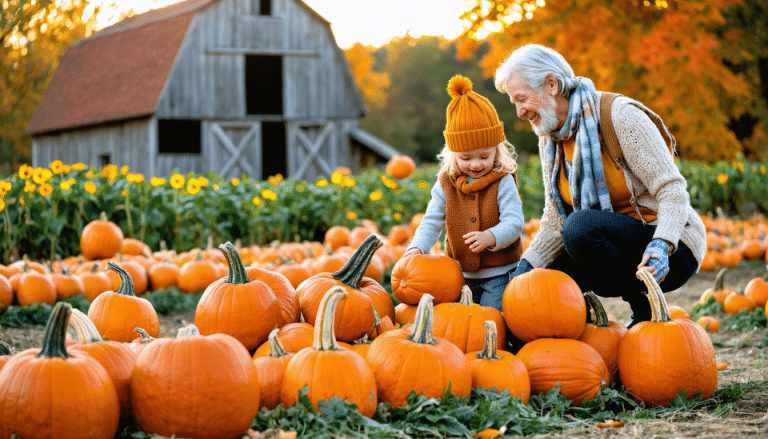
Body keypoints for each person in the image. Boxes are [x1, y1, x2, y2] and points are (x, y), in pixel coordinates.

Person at [494, 44, 706, 327]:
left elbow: (672, 191)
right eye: (514, 103)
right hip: (609, 247)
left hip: (670, 245)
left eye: (522, 99)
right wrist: (525, 271)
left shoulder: (619, 116)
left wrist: (661, 244)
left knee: (580, 229)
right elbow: (555, 218)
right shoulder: (551, 138)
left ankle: (643, 308)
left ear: (552, 84)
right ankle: (571, 345)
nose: (519, 111)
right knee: (544, 280)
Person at [403, 74, 525, 312]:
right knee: (461, 324)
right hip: (459, 275)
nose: (476, 164)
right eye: (466, 158)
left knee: (491, 322)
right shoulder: (446, 183)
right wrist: (417, 248)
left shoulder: (503, 181)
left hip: (499, 275)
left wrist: (491, 236)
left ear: (497, 151)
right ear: (453, 155)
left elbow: (514, 222)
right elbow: (432, 221)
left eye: (484, 156)